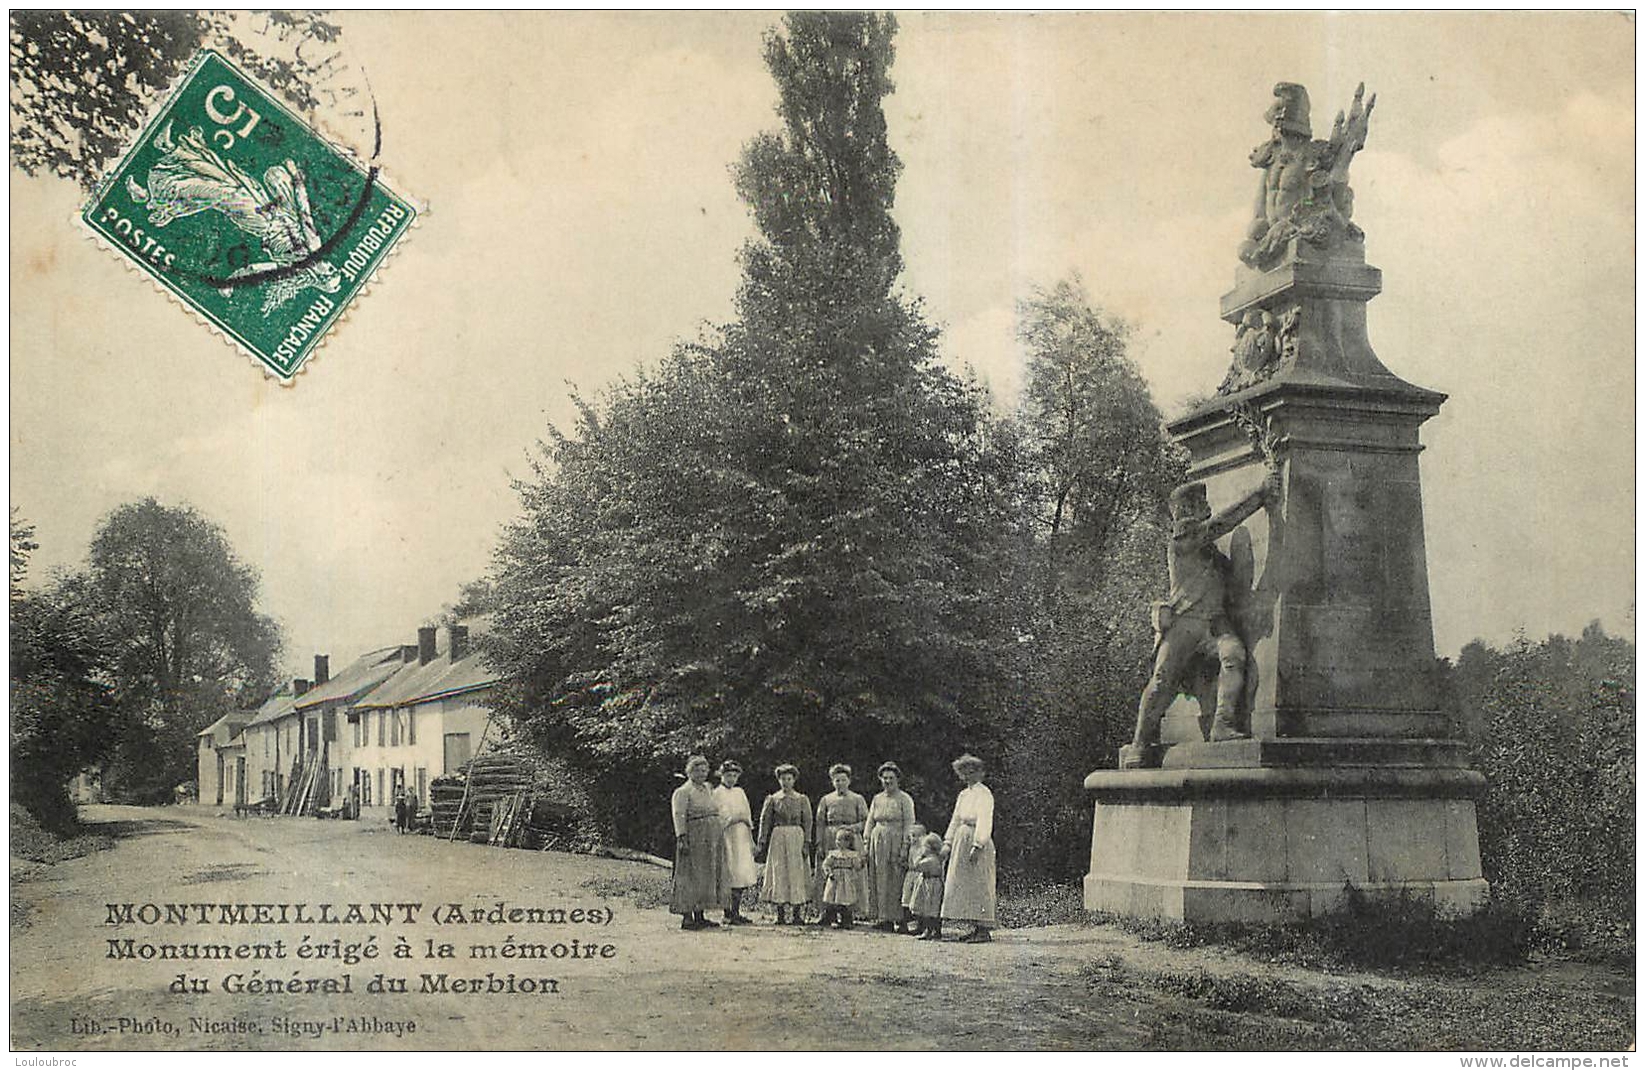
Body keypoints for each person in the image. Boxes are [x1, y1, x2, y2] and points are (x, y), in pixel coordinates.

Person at [1127, 467, 1280, 767]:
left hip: (1213, 624)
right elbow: (1221, 523)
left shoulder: (1211, 553)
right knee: (1161, 680)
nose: (1207, 508)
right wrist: (1259, 494)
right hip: (1185, 622)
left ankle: (1222, 724)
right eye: (1200, 505)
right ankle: (1139, 743)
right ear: (1185, 511)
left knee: (1234, 655)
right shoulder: (1182, 542)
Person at [940, 753, 996, 943]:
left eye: (972, 772)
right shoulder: (964, 795)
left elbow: (984, 819)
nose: (968, 776)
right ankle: (973, 926)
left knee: (979, 882)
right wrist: (947, 842)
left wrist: (978, 844)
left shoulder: (984, 793)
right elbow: (955, 819)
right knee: (964, 883)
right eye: (964, 772)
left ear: (980, 773)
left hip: (976, 839)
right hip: (961, 839)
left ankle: (983, 929)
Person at [670, 754, 726, 930]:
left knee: (705, 875)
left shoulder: (708, 789)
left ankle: (700, 914)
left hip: (710, 838)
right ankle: (687, 917)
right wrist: (682, 838)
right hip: (693, 836)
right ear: (690, 772)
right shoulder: (683, 792)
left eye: (704, 770)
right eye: (698, 771)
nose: (702, 774)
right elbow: (679, 816)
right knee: (689, 875)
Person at [861, 761, 917, 930]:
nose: (887, 781)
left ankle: (900, 920)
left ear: (897, 779)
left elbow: (909, 823)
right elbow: (870, 821)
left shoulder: (904, 799)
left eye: (891, 778)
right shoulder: (877, 799)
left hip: (896, 839)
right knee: (880, 877)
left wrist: (905, 846)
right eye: (884, 778)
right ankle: (883, 918)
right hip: (878, 840)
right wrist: (866, 841)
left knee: (896, 879)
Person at [755, 764, 812, 925]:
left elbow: (808, 821)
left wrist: (807, 842)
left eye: (789, 779)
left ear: (794, 780)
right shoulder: (773, 799)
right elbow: (764, 821)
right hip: (778, 837)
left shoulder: (801, 799)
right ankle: (779, 914)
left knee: (796, 872)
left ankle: (796, 914)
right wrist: (762, 841)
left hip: (796, 837)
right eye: (783, 779)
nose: (786, 782)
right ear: (778, 780)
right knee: (779, 871)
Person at [812, 764, 868, 921]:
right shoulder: (826, 799)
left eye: (843, 780)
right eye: (837, 780)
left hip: (851, 838)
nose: (840, 783)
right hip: (830, 837)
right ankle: (827, 913)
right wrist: (820, 843)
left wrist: (851, 827)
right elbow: (820, 823)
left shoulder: (857, 799)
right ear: (832, 782)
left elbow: (865, 821)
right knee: (828, 874)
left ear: (849, 781)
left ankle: (849, 912)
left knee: (849, 875)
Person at [713, 760, 756, 925]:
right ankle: (727, 912)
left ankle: (736, 911)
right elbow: (719, 817)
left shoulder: (740, 792)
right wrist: (734, 818)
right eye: (728, 775)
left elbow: (747, 814)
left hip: (741, 835)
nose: (731, 779)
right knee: (729, 871)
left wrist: (751, 838)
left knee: (741, 871)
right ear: (722, 776)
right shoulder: (717, 793)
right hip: (727, 835)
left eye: (734, 776)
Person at [819, 828, 863, 930]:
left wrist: (860, 864)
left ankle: (846, 920)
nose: (837, 842)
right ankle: (831, 918)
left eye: (840, 840)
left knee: (846, 900)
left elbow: (857, 866)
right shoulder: (833, 854)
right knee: (833, 898)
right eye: (836, 840)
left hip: (846, 880)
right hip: (835, 879)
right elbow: (826, 864)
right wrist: (828, 873)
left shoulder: (852, 855)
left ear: (847, 842)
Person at [909, 832, 948, 941]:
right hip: (935, 884)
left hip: (929, 885)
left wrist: (920, 856)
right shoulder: (938, 859)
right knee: (934, 909)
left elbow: (916, 865)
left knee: (928, 908)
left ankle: (929, 930)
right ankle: (935, 931)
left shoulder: (929, 860)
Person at [898, 822, 928, 935]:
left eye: (917, 836)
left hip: (919, 875)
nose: (914, 838)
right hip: (910, 875)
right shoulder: (910, 848)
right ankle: (905, 925)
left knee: (918, 900)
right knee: (906, 899)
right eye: (912, 835)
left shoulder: (923, 849)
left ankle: (920, 925)